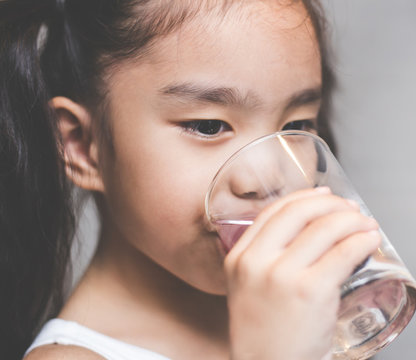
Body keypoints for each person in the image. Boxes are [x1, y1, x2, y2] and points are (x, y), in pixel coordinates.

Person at [0, 0, 384, 358]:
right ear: (83, 145)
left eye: (296, 125)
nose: (269, 177)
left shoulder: (303, 309)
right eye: (208, 126)